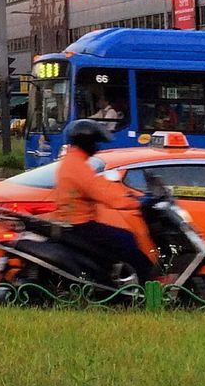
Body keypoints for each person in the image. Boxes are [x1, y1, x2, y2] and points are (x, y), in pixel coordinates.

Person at [53, 119, 154, 283]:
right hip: (79, 225)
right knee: (127, 241)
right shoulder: (77, 165)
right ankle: (148, 287)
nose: (97, 147)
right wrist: (136, 202)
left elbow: (102, 185)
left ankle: (112, 277)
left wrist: (128, 193)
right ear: (87, 142)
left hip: (74, 223)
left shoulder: (74, 162)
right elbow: (101, 192)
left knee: (119, 240)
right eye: (95, 142)